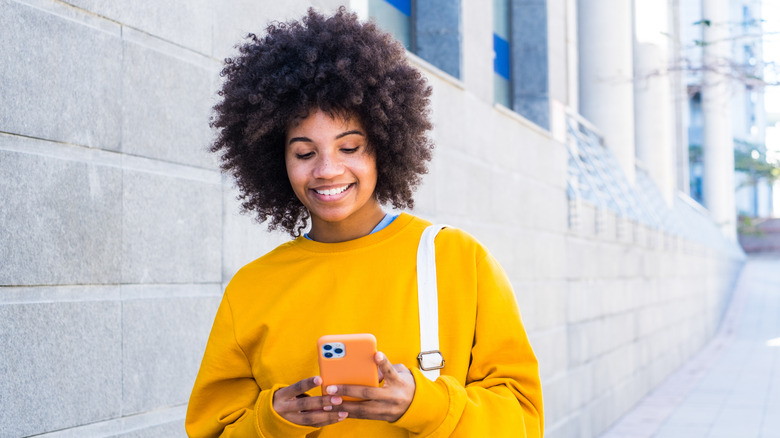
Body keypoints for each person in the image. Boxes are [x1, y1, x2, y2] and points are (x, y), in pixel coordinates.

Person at [186, 7, 543, 437]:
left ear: (384, 146)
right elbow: (212, 429)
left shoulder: (458, 261)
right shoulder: (250, 290)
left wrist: (424, 405)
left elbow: (523, 421)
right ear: (275, 160)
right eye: (304, 153)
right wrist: (270, 421)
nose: (328, 170)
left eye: (350, 147)